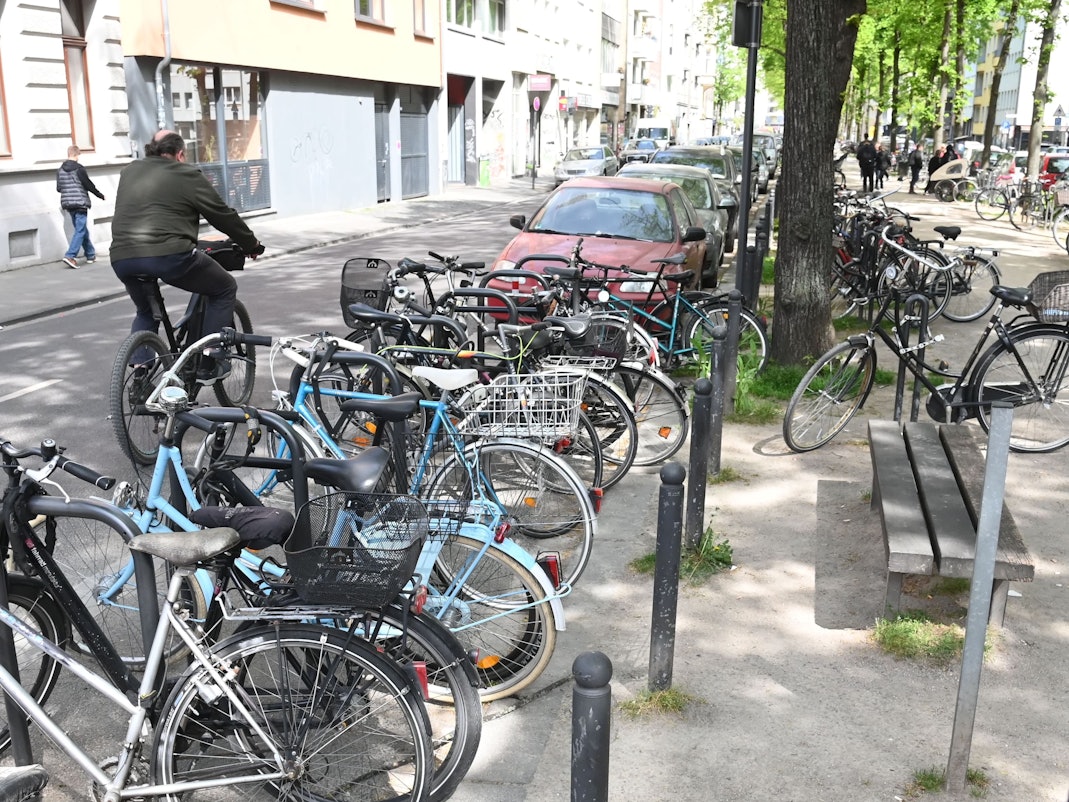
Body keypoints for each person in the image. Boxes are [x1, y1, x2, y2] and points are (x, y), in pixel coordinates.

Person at [110, 130, 264, 382]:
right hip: (169, 254)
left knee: (146, 313)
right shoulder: (186, 174)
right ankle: (210, 361)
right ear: (180, 154)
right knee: (224, 288)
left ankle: (139, 375)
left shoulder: (129, 171)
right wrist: (251, 244)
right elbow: (221, 215)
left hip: (122, 257)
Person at [56, 145, 105, 269]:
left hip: (68, 203)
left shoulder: (60, 170)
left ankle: (90, 254)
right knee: (80, 229)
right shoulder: (79, 169)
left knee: (81, 229)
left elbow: (59, 188)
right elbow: (88, 185)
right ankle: (70, 255)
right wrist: (99, 194)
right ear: (77, 155)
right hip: (80, 202)